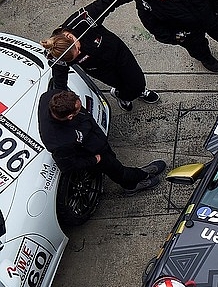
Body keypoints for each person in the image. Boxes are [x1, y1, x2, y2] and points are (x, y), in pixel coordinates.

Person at [37, 76, 166, 197]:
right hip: (92, 153)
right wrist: (94, 160)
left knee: (114, 162)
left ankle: (133, 178)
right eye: (78, 109)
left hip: (96, 140)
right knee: (118, 171)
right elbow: (68, 166)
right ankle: (137, 180)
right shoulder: (59, 142)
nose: (81, 108)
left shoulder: (51, 97)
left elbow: (60, 80)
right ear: (70, 117)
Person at [40, 0, 159, 112]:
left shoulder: (83, 21)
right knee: (121, 85)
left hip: (117, 52)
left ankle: (139, 91)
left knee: (137, 80)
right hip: (99, 70)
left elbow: (107, 1)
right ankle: (122, 96)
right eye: (76, 57)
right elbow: (60, 81)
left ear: (70, 37)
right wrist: (63, 105)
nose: (80, 53)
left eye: (78, 49)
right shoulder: (57, 56)